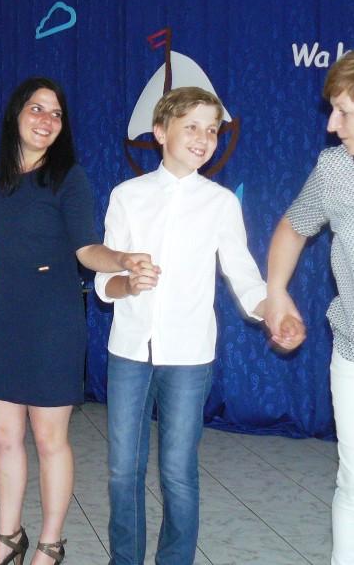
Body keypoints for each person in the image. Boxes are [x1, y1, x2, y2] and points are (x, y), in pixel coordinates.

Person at [94, 86, 304, 565]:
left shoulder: (220, 203)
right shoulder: (127, 196)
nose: (203, 138)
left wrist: (274, 311)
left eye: (211, 130)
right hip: (129, 351)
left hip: (190, 357)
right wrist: (128, 282)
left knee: (178, 472)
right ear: (160, 131)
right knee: (123, 470)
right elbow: (106, 279)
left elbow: (242, 273)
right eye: (191, 126)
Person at [0, 77, 151, 565]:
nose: (46, 120)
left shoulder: (68, 178)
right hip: (6, 315)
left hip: (53, 319)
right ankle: (8, 538)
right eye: (37, 109)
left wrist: (121, 259)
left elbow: (86, 249)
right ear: (16, 114)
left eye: (56, 114)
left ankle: (50, 545)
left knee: (49, 438)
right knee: (3, 435)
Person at [265, 42, 354, 565]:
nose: (331, 125)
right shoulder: (335, 170)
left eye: (344, 112)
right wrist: (277, 293)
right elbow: (294, 227)